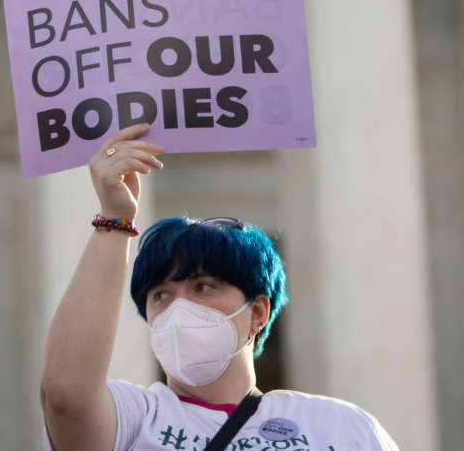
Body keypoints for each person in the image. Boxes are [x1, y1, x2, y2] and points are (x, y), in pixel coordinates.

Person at [40, 123, 399, 451]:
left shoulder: (342, 428)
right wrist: (115, 218)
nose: (178, 306)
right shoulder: (131, 419)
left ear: (258, 312)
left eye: (204, 287)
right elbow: (64, 396)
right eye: (160, 294)